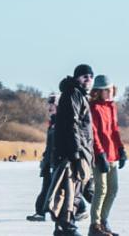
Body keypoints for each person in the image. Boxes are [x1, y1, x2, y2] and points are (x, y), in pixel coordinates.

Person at [48, 64, 96, 236]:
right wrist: (75, 151)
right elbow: (72, 124)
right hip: (72, 151)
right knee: (68, 189)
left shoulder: (80, 95)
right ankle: (66, 226)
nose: (88, 79)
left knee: (75, 189)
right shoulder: (73, 94)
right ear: (77, 78)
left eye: (90, 76)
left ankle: (66, 225)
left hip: (81, 150)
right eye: (84, 76)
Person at [88, 75, 126, 236]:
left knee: (113, 189)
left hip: (112, 154)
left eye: (111, 89)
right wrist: (100, 153)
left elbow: (115, 131)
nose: (110, 92)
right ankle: (94, 225)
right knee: (101, 189)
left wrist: (121, 149)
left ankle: (103, 221)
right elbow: (94, 133)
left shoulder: (112, 107)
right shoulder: (93, 108)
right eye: (106, 90)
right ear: (98, 91)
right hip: (100, 155)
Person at [28, 94, 59, 222]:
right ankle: (40, 212)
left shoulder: (61, 121)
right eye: (49, 104)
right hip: (49, 161)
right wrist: (45, 160)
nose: (49, 107)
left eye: (52, 104)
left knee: (60, 188)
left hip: (56, 161)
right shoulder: (52, 121)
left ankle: (80, 208)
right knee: (46, 187)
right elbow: (49, 144)